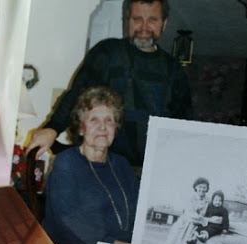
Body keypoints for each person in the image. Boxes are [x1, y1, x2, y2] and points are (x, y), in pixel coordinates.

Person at [28, 0, 192, 167]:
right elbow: (77, 94)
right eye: (137, 19)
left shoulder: (174, 70)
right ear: (127, 21)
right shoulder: (108, 53)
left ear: (164, 24)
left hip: (151, 171)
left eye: (152, 20)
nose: (144, 27)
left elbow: (183, 125)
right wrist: (52, 128)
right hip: (103, 166)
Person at [42, 86, 139, 244]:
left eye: (109, 120)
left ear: (115, 128)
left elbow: (138, 213)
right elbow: (71, 223)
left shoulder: (122, 165)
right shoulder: (66, 163)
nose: (102, 126)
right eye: (94, 120)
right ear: (81, 128)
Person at [161, 177, 221, 244]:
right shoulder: (190, 198)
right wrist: (209, 220)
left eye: (204, 187)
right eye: (200, 187)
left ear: (207, 189)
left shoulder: (208, 200)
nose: (202, 189)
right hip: (185, 225)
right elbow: (191, 215)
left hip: (198, 226)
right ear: (196, 187)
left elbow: (211, 212)